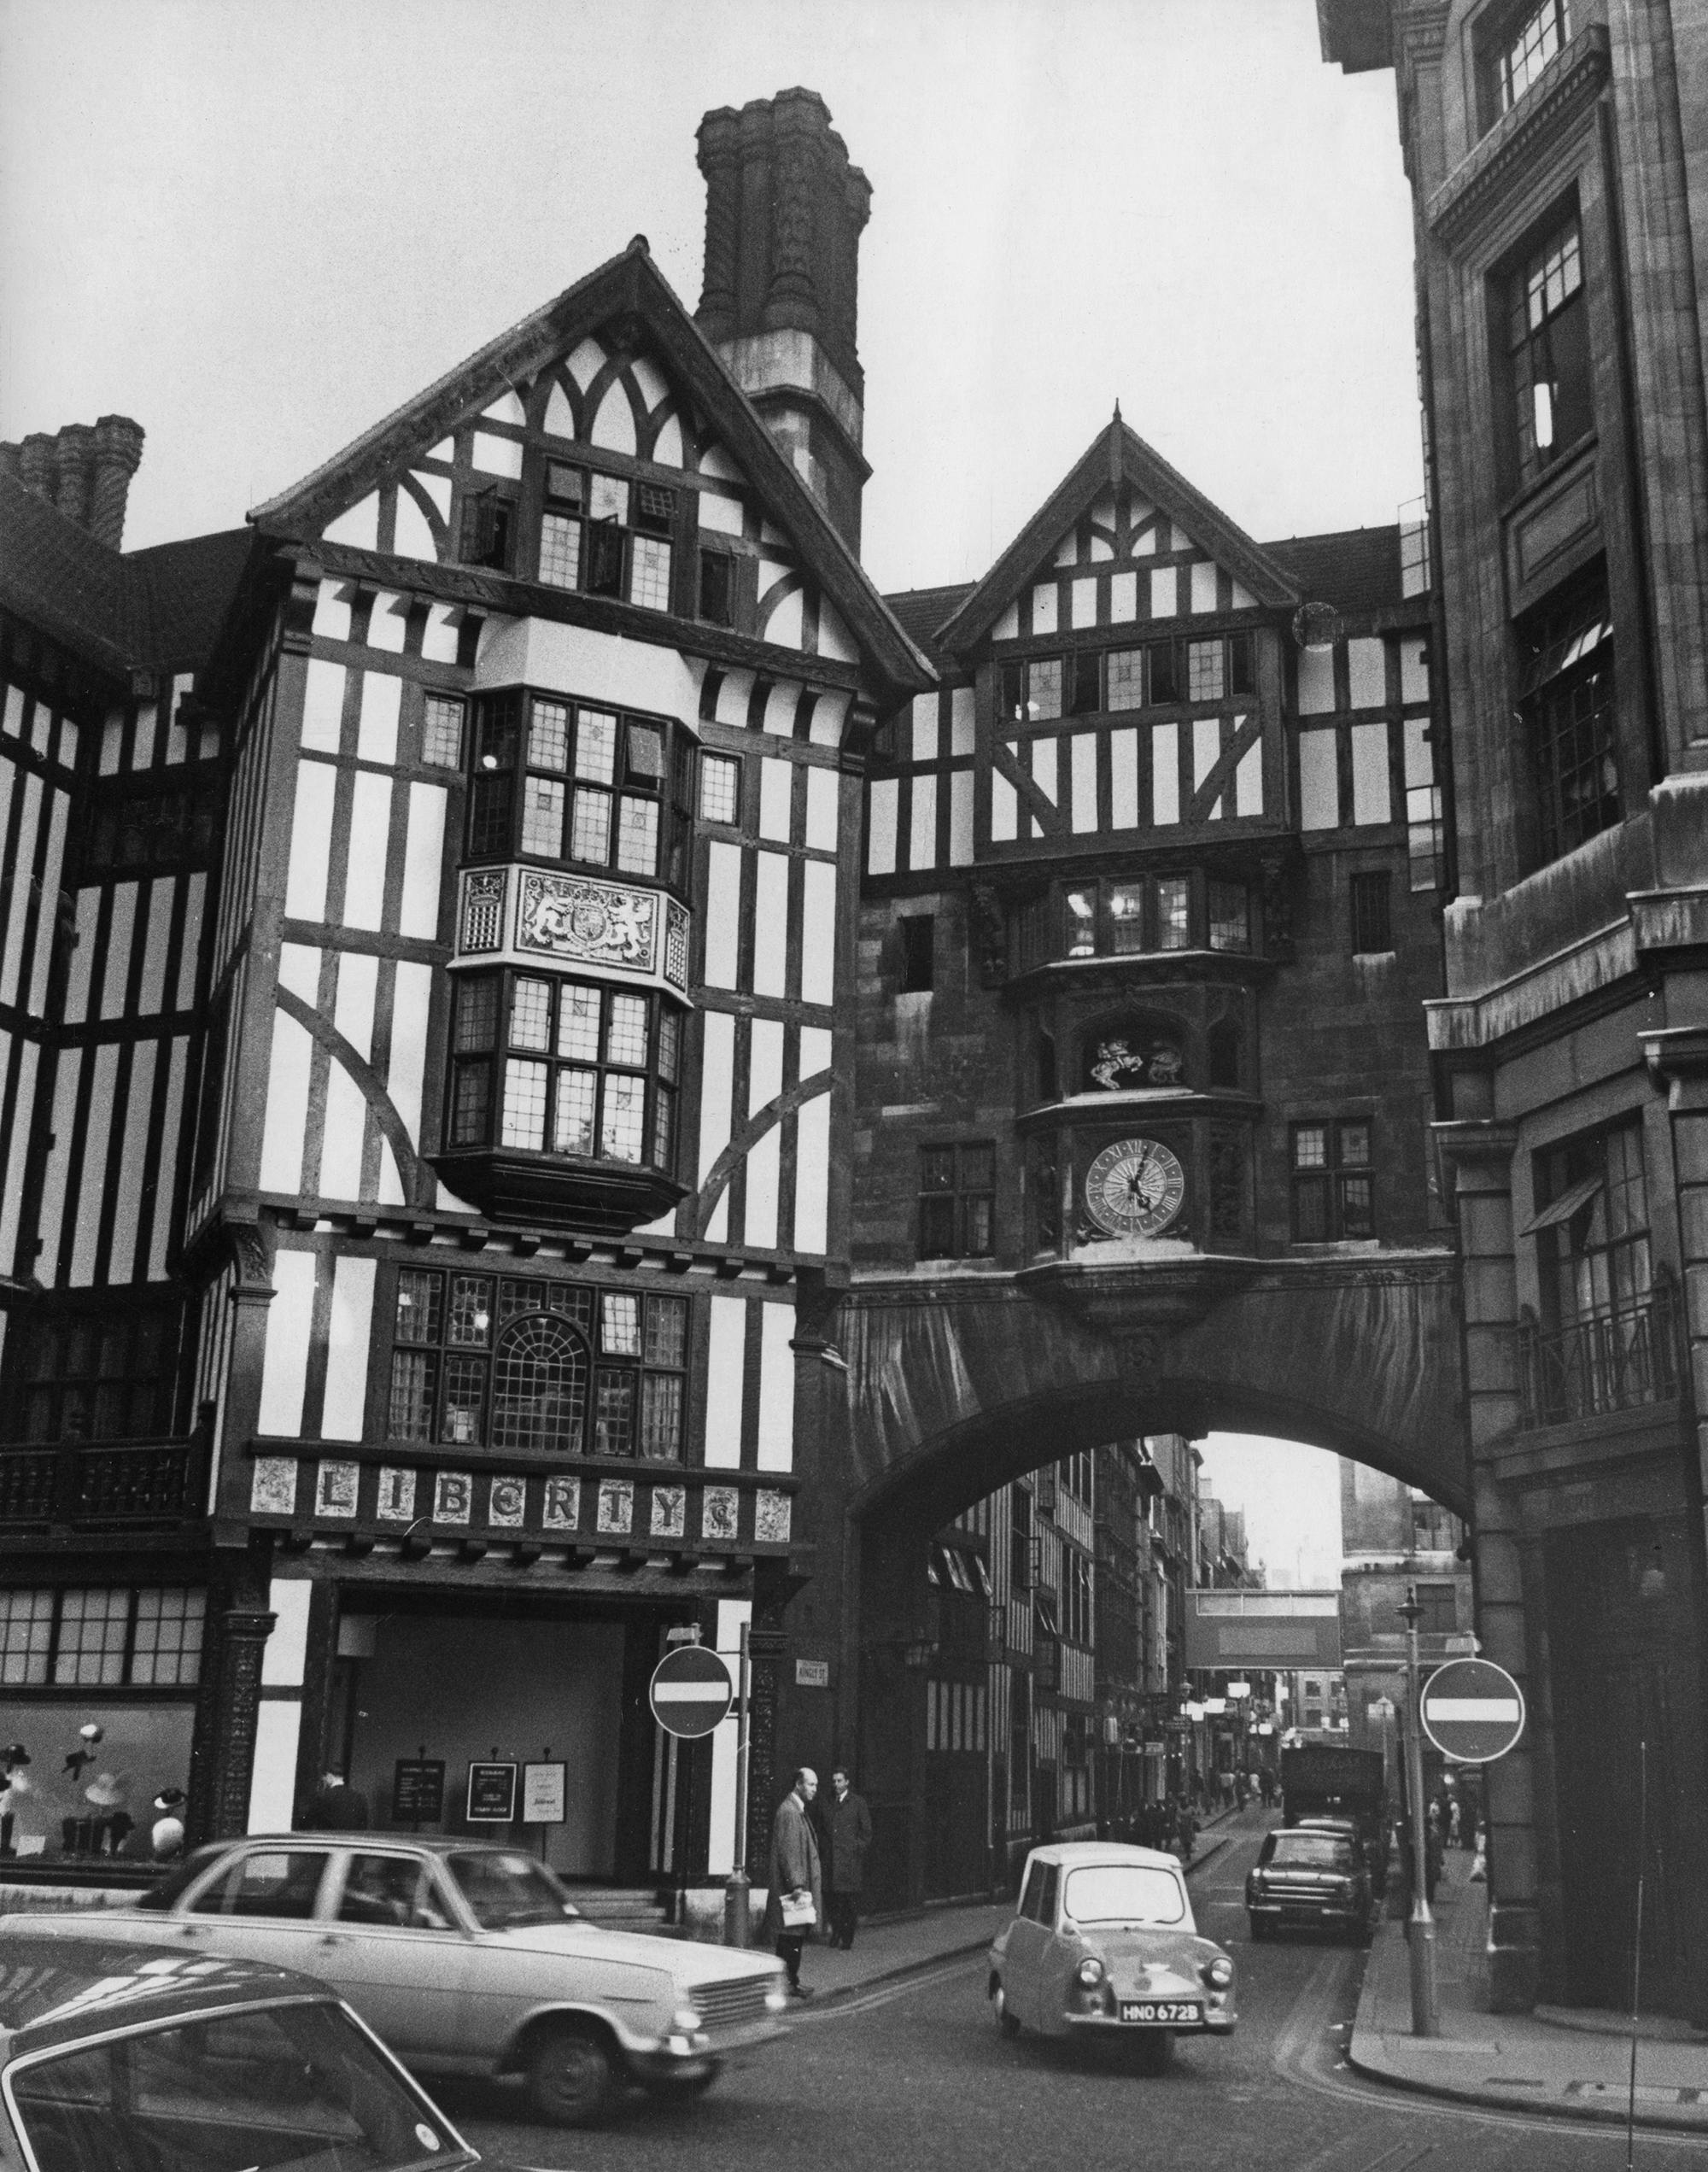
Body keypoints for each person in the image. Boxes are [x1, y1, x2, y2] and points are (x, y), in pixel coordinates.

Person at [761, 1768, 822, 1997]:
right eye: (811, 1785)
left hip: (795, 1888)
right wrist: (797, 1884)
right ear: (798, 1784)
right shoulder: (790, 1812)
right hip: (793, 1891)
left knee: (791, 1938)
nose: (815, 1789)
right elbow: (790, 1851)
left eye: (816, 1785)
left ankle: (789, 1981)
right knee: (791, 1937)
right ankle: (788, 1982)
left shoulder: (796, 1809)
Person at [823, 1766, 873, 1950]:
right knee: (832, 1902)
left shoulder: (858, 1803)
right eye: (834, 1781)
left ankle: (847, 1938)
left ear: (847, 1782)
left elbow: (867, 1833)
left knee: (848, 1904)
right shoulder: (828, 1802)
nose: (836, 1784)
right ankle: (835, 1932)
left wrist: (855, 1848)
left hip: (849, 1863)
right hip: (832, 1862)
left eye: (840, 1781)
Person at [301, 1769, 370, 1831]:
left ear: (330, 1776)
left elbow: (309, 1821)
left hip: (329, 1840)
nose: (324, 1780)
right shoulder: (358, 1797)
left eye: (325, 1777)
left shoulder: (324, 1796)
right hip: (352, 1840)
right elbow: (363, 1823)